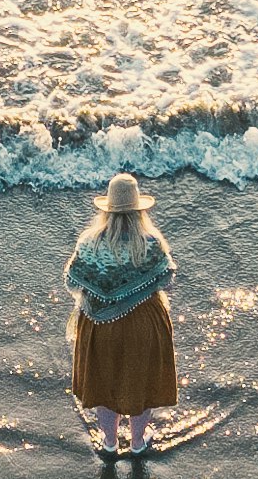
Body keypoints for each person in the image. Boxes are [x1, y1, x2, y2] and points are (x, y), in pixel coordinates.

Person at [65, 174, 180, 459]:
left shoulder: (89, 242)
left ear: (106, 209)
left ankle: (110, 442)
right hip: (143, 323)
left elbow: (72, 281)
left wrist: (105, 292)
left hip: (98, 324)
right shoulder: (150, 241)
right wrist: (135, 290)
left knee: (104, 384)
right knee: (141, 381)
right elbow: (166, 278)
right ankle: (138, 441)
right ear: (140, 209)